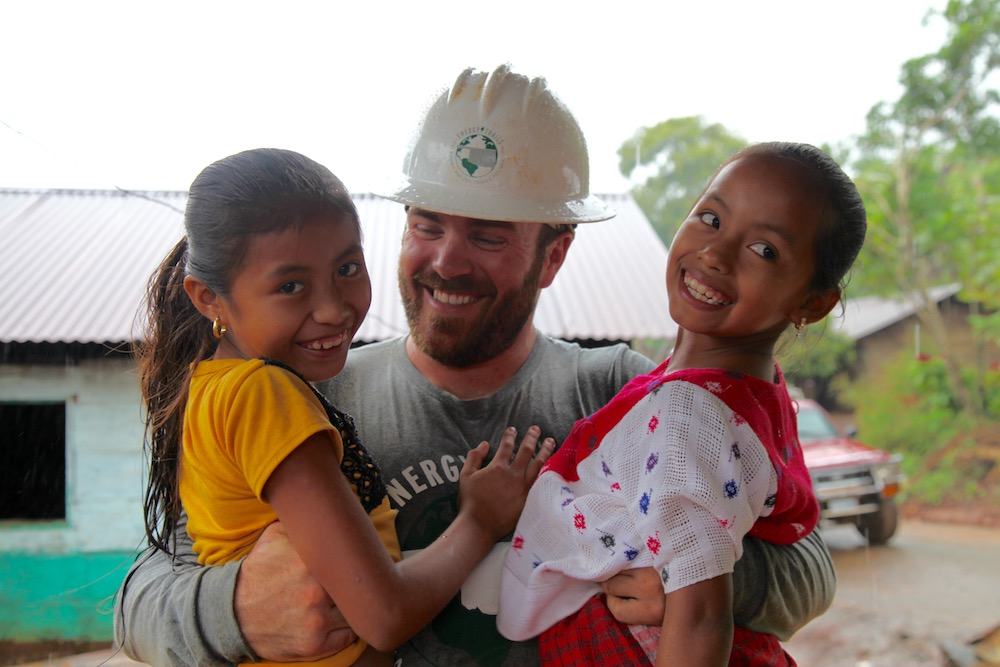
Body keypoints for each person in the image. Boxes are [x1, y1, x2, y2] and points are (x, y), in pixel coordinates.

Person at [115, 66, 837, 667]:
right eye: (426, 225)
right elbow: (137, 602)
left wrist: (700, 578)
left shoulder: (628, 395)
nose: (446, 261)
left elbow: (811, 567)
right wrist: (237, 611)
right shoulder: (309, 394)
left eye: (488, 237)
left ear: (553, 256)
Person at [133, 146, 551, 667]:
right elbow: (384, 615)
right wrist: (479, 522)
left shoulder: (214, 389)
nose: (333, 309)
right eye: (290, 286)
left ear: (553, 255)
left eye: (348, 268)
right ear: (208, 298)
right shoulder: (264, 394)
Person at [497, 141, 867, 666]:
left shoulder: (689, 414)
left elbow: (699, 616)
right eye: (711, 219)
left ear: (812, 303)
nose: (715, 254)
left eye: (764, 250)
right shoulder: (745, 395)